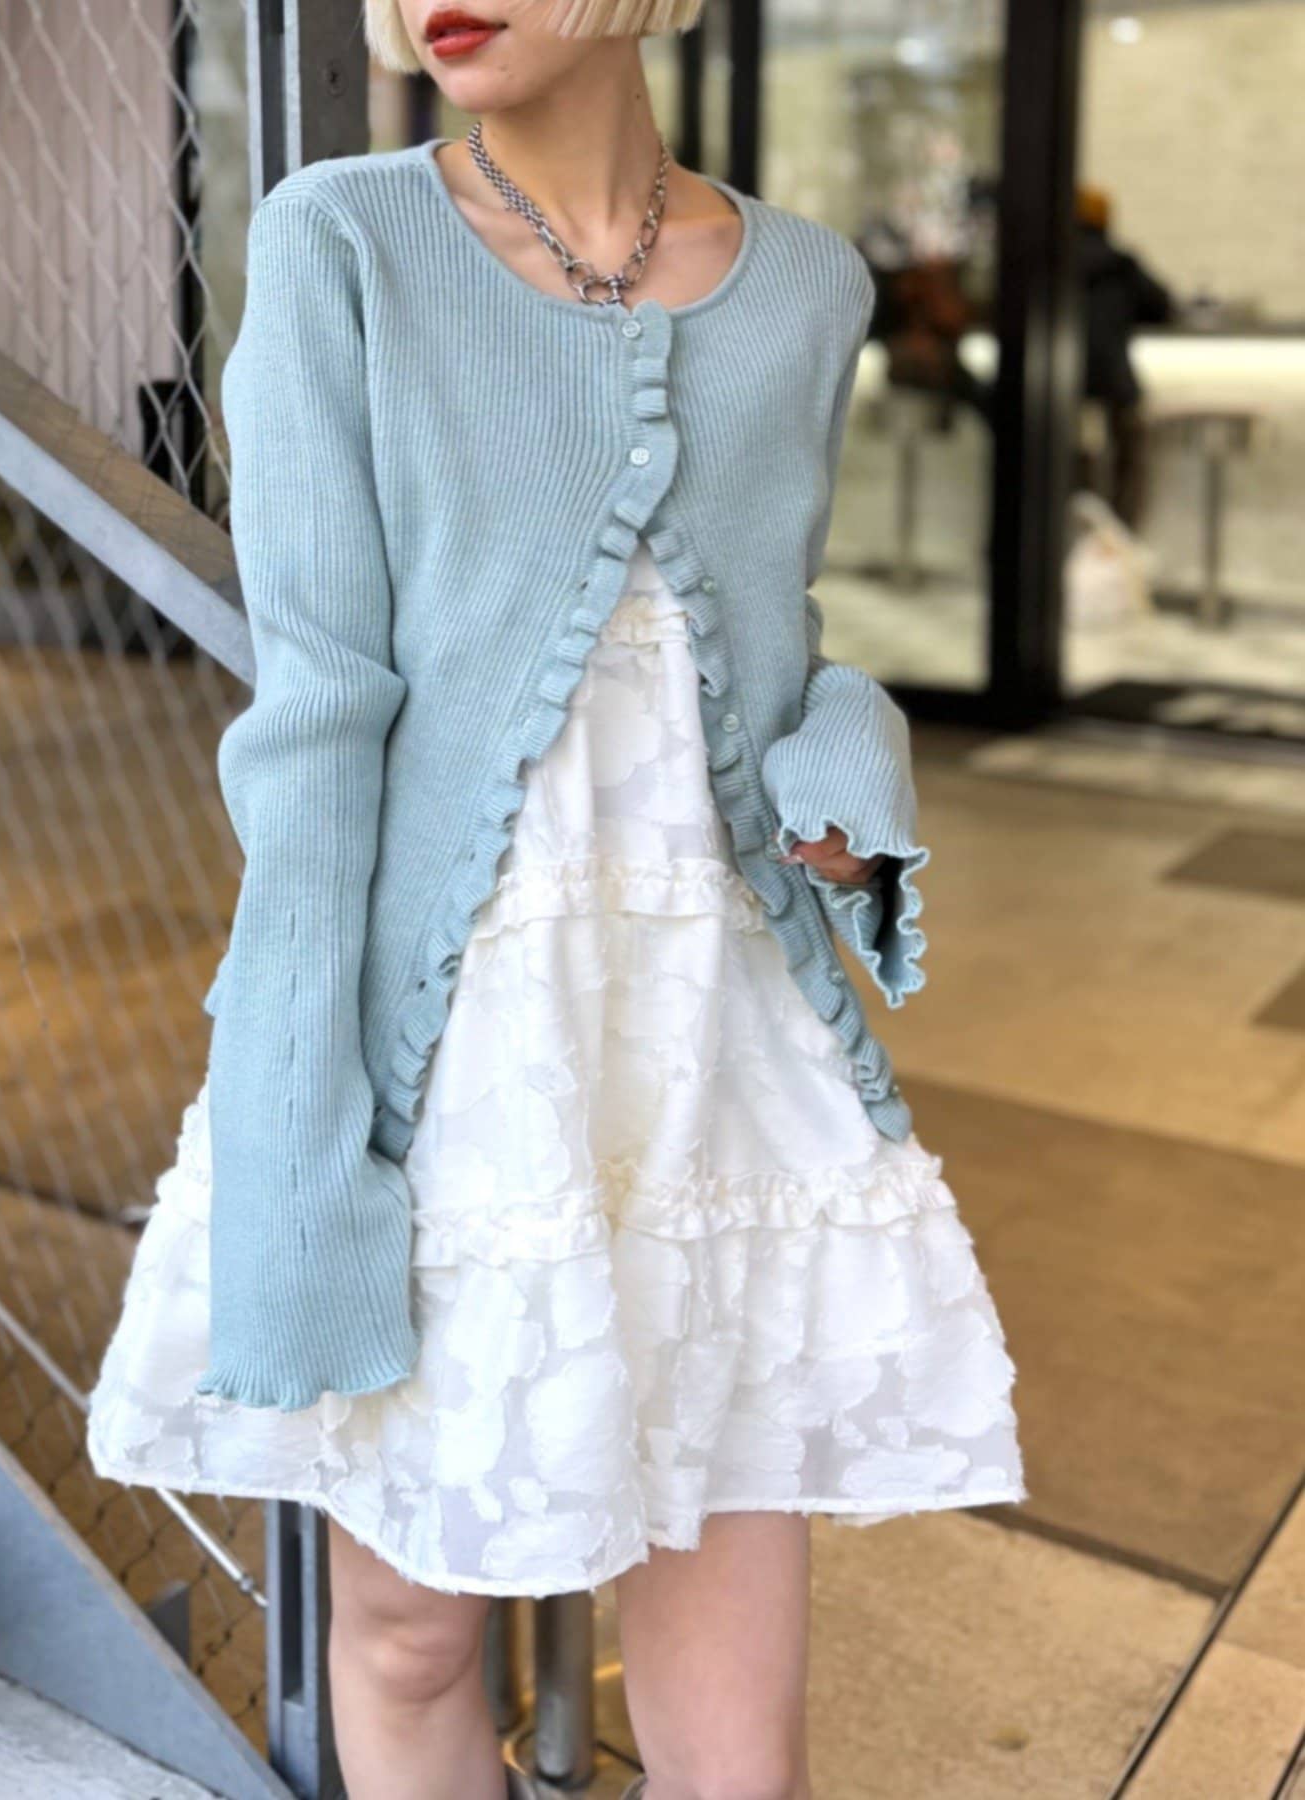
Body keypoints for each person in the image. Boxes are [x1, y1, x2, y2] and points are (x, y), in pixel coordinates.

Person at [86, 0, 1028, 1794]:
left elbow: (777, 645)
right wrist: (300, 1120)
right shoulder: (343, 240)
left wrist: (848, 771)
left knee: (727, 1624)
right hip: (453, 1050)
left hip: (711, 1037)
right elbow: (317, 719)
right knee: (406, 1628)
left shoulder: (807, 286)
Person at [1074, 183, 1174, 530]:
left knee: (1071, 460)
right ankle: (1119, 536)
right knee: (1129, 455)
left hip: (1063, 387)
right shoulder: (1121, 265)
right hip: (1114, 383)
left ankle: (1076, 532)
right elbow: (1162, 308)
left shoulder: (1050, 266)